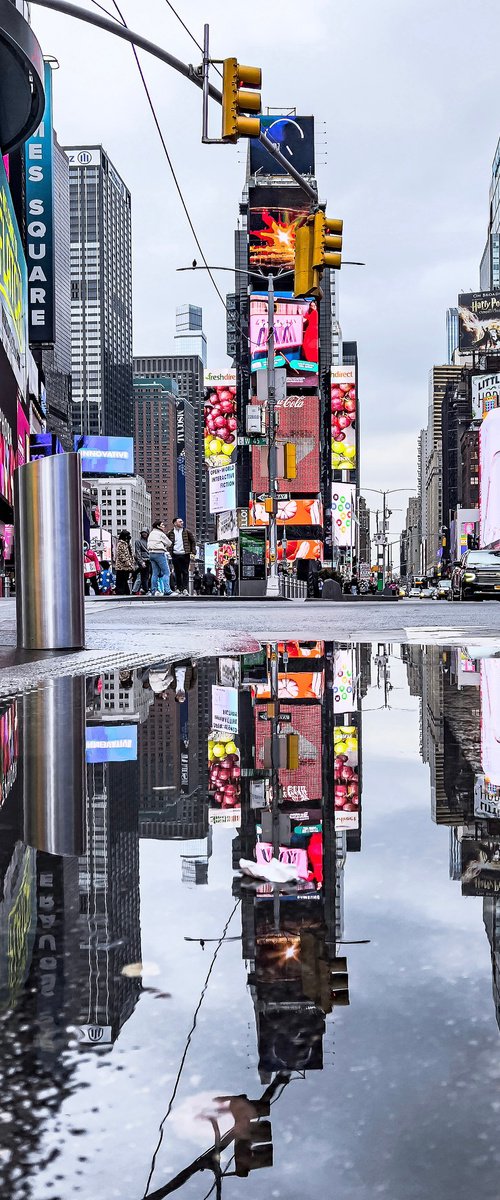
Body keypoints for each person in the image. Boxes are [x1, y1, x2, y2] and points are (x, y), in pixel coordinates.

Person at [167, 517, 196, 595]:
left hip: (185, 554)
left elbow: (193, 542)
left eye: (182, 521)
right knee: (177, 572)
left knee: (185, 572)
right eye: (180, 521)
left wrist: (193, 552)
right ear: (175, 523)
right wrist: (169, 551)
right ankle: (179, 588)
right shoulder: (171, 532)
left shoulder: (187, 532)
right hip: (175, 555)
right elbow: (167, 542)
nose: (182, 523)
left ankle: (185, 589)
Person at [147, 521, 172, 596]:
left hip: (151, 553)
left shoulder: (151, 533)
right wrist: (164, 546)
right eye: (162, 525)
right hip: (159, 553)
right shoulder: (161, 534)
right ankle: (167, 590)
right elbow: (169, 543)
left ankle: (153, 591)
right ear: (158, 526)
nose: (164, 526)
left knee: (155, 573)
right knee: (166, 572)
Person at [115, 530, 134, 595]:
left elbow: (130, 554)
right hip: (121, 566)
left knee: (124, 580)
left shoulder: (128, 544)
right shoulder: (120, 544)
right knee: (121, 580)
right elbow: (121, 555)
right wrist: (129, 564)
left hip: (127, 566)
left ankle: (125, 591)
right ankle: (121, 592)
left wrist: (131, 563)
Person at [133, 529, 151, 595]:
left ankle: (146, 588)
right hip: (143, 560)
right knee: (143, 576)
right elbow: (138, 552)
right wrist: (141, 562)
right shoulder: (138, 541)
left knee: (148, 576)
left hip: (150, 560)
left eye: (145, 533)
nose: (144, 534)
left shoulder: (149, 541)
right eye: (143, 533)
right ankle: (145, 589)